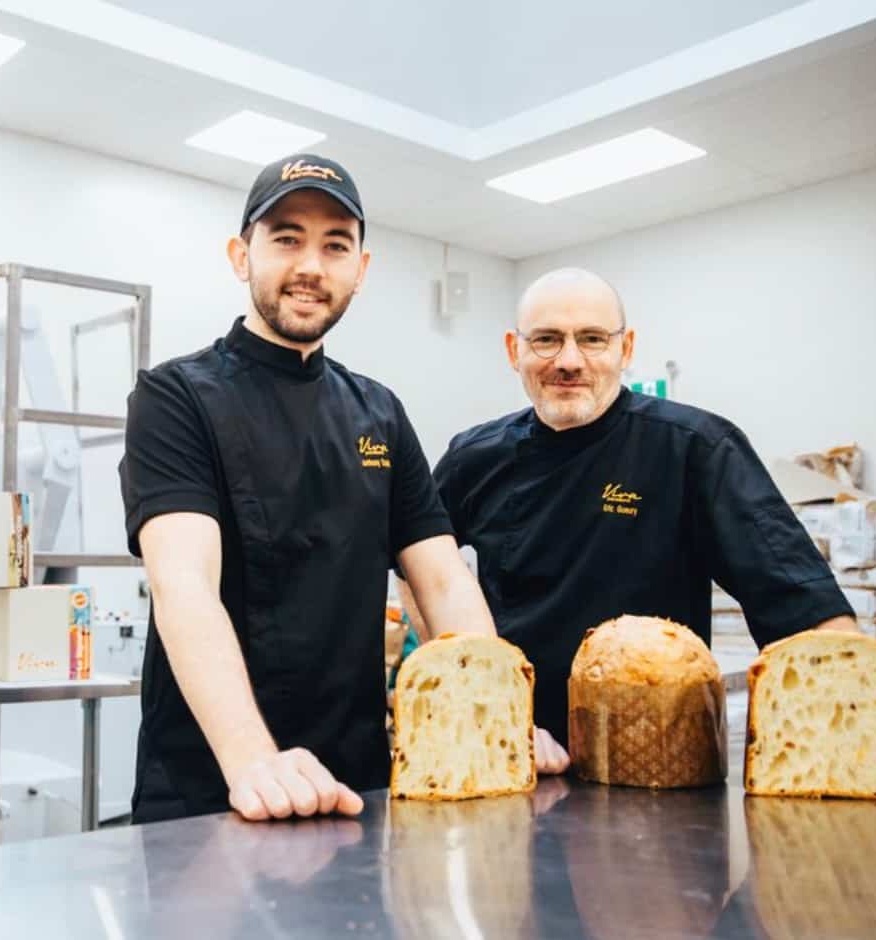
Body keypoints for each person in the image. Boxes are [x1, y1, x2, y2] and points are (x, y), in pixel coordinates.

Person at [119, 154, 568, 825]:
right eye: (287, 238)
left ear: (360, 269)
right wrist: (252, 760)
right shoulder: (176, 396)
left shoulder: (378, 412)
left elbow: (442, 582)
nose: (311, 265)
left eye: (335, 245)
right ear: (242, 256)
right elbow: (184, 589)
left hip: (359, 785)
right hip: (213, 788)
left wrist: (499, 715)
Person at [401, 267, 876, 784]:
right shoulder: (475, 456)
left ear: (625, 348)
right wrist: (479, 696)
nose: (568, 360)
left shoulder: (695, 448)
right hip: (519, 752)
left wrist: (873, 715)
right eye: (546, 339)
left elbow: (794, 592)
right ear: (514, 350)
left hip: (661, 758)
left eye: (591, 339)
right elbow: (416, 562)